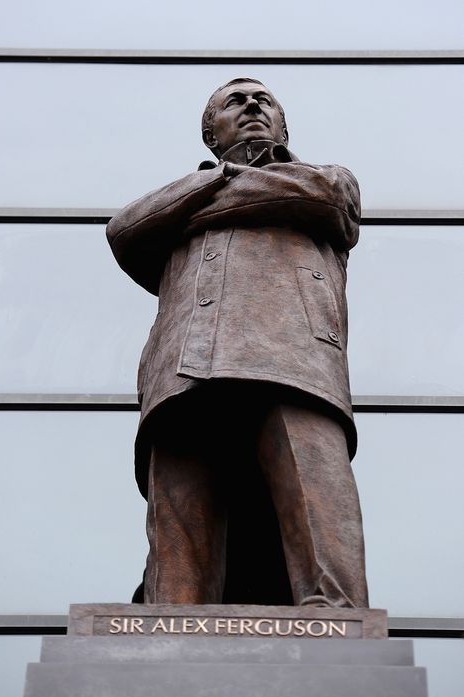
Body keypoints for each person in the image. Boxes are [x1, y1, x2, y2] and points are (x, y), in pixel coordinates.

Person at [107, 78, 369, 608]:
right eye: (235, 101)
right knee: (179, 541)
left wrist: (195, 204)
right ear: (211, 134)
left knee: (319, 505)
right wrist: (229, 181)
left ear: (283, 125)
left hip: (295, 359)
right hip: (185, 368)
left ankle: (336, 621)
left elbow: (323, 197)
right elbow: (126, 228)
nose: (252, 105)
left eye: (264, 99)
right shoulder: (182, 193)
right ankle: (170, 629)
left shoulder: (329, 177)